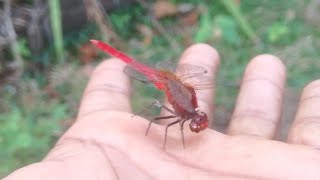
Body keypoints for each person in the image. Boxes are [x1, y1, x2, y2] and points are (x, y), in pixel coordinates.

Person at [4, 44, 320, 179]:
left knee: (167, 122)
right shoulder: (181, 110)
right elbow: (165, 122)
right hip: (168, 85)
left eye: (199, 120)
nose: (200, 123)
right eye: (199, 121)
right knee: (163, 124)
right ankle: (106, 47)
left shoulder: (192, 106)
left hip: (174, 86)